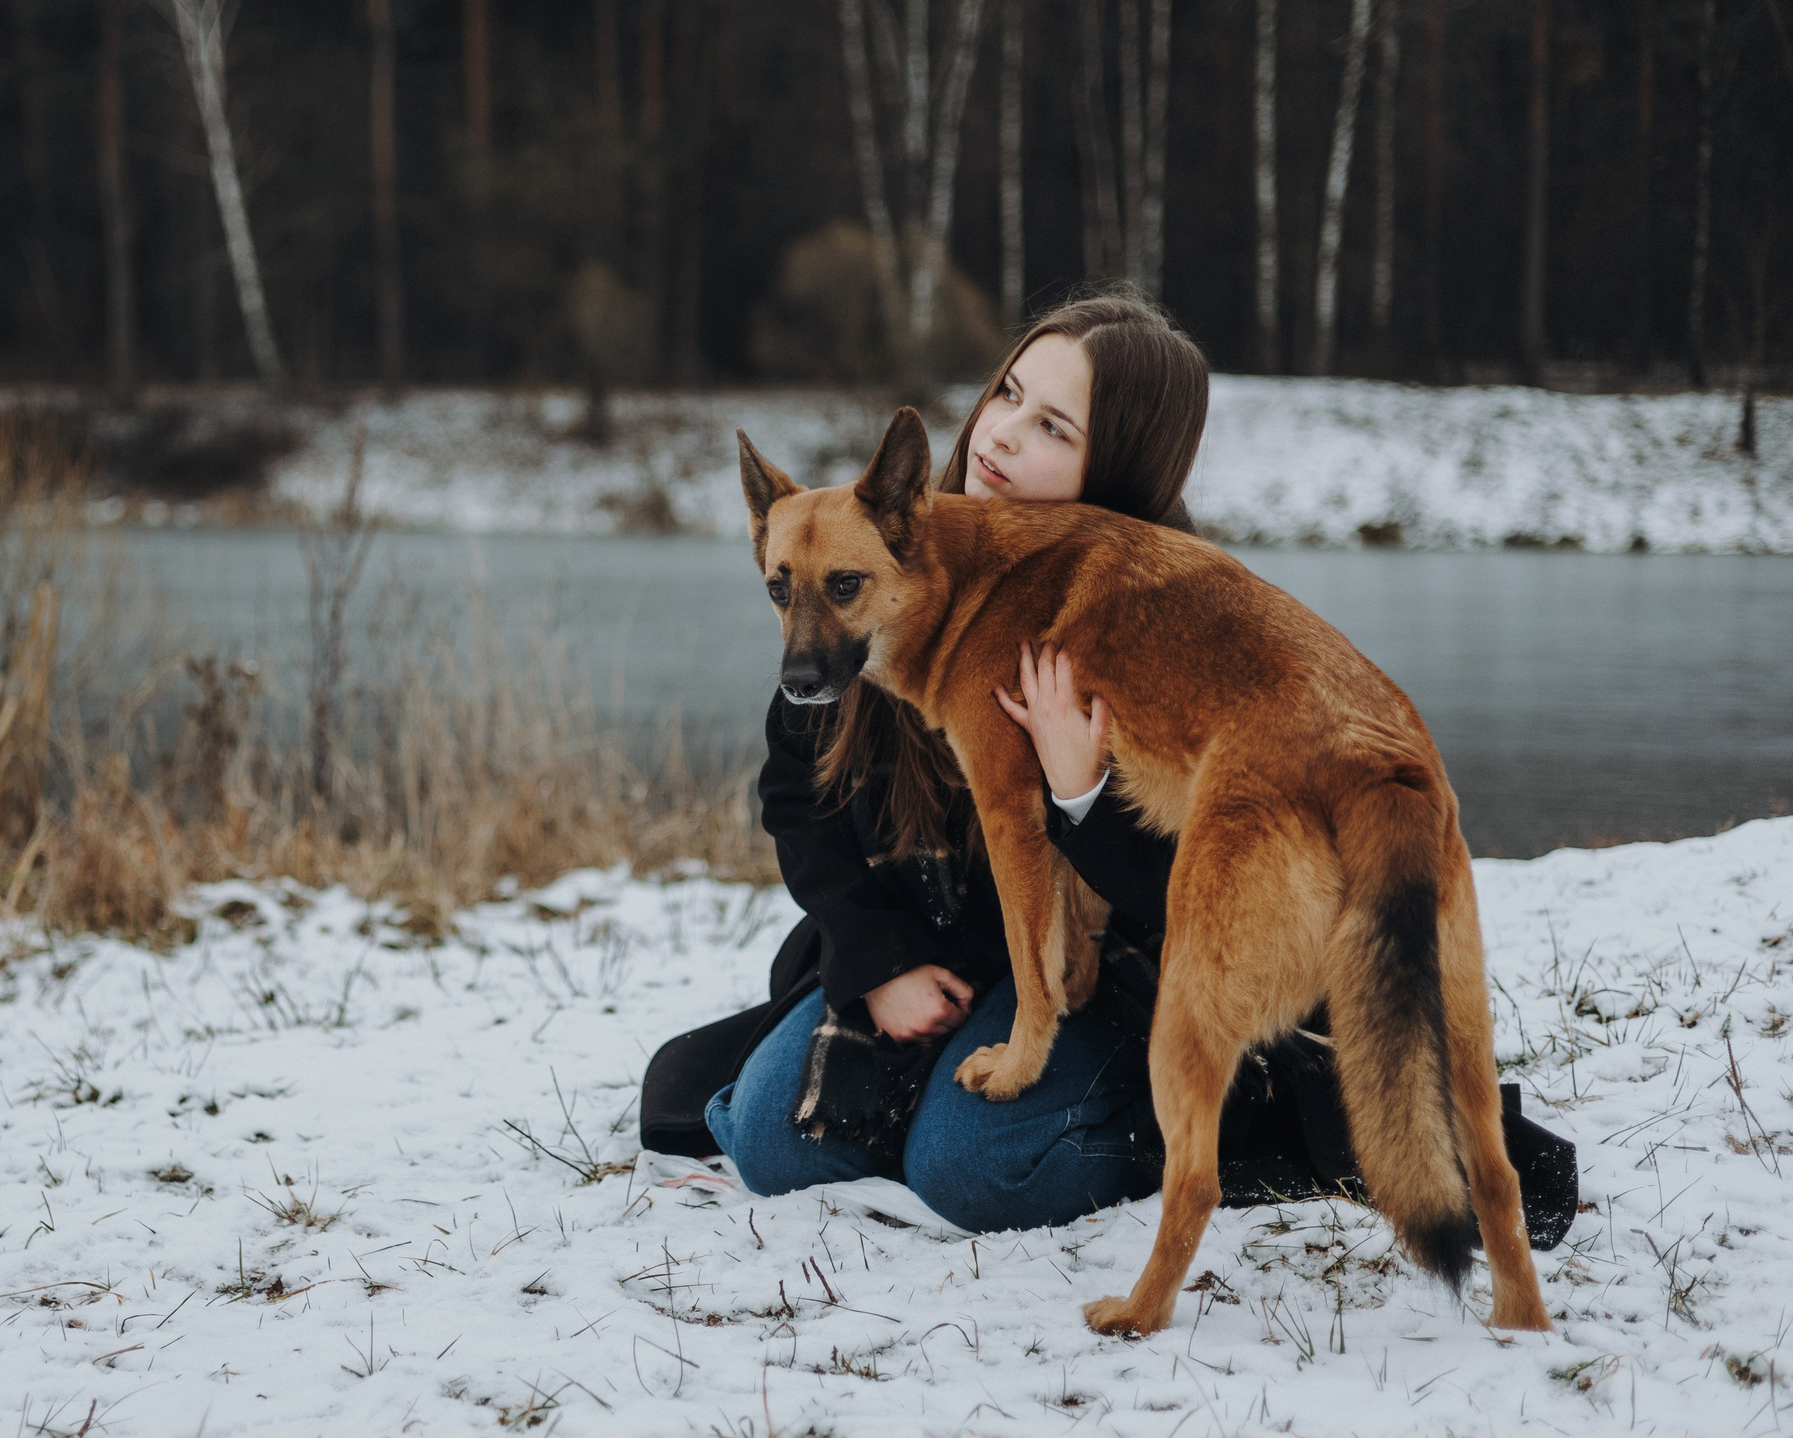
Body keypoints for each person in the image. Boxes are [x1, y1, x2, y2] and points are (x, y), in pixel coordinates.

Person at [641, 291, 1577, 1242]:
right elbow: (796, 802)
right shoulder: (864, 563)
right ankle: (943, 1096)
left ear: (1112, 466)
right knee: (771, 1142)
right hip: (943, 950)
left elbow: (1215, 899)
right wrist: (878, 963)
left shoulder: (1163, 617)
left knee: (973, 1169)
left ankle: (1227, 1124)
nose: (1001, 434)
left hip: (1130, 976)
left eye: (1052, 425)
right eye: (1008, 392)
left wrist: (1082, 793)